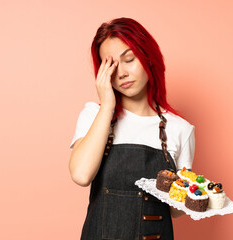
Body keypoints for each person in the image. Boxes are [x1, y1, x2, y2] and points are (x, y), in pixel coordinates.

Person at [69, 17, 195, 240]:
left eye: (129, 59)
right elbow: (81, 175)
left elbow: (176, 211)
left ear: (149, 58)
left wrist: (192, 191)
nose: (122, 73)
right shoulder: (94, 115)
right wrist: (107, 106)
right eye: (112, 66)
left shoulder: (180, 129)